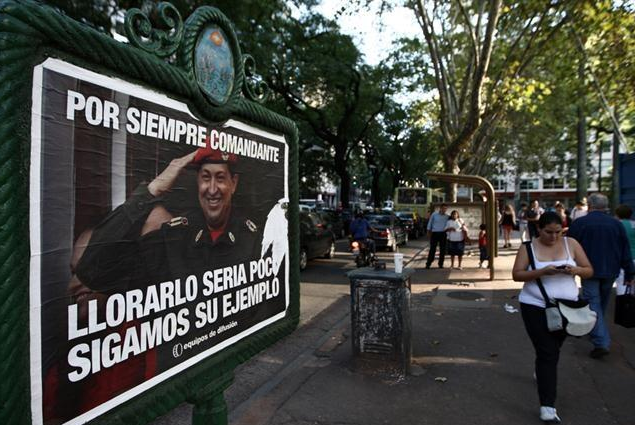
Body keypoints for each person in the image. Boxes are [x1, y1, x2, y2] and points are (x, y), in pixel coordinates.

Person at [77, 144, 263, 305]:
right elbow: (92, 272)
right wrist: (151, 191)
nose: (212, 189)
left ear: (234, 183)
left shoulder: (255, 238)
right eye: (206, 178)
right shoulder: (174, 238)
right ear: (198, 182)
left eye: (220, 178)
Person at [512, 212, 593, 423]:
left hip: (567, 308)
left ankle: (542, 370)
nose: (554, 237)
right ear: (539, 229)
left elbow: (589, 270)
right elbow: (517, 274)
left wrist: (575, 269)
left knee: (552, 349)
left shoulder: (571, 243)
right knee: (547, 351)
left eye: (558, 232)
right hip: (534, 305)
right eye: (549, 232)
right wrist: (541, 272)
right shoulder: (527, 247)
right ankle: (547, 406)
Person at [567, 193, 635, 359]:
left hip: (588, 270)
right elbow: (625, 249)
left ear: (589, 205)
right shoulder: (616, 224)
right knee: (600, 303)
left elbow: (568, 246)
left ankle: (601, 341)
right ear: (606, 206)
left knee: (593, 303)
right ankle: (598, 330)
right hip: (611, 269)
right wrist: (629, 271)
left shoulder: (580, 223)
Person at [614, 204, 635, 293]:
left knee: (622, 286)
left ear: (617, 215)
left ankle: (624, 304)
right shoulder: (634, 224)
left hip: (622, 260)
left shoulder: (616, 226)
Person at [425, 203, 450, 269]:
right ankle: (428, 263)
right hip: (435, 233)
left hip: (443, 234)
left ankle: (441, 264)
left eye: (445, 209)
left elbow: (453, 221)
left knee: (442, 250)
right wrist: (428, 231)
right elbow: (430, 223)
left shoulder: (447, 216)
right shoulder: (434, 214)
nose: (444, 210)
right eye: (443, 208)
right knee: (432, 249)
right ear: (440, 208)